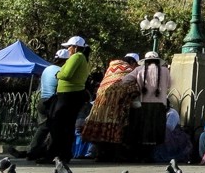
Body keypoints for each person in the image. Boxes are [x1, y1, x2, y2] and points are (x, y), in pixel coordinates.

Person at [82, 53, 142, 161]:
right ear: (132, 63)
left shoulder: (110, 70)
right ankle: (115, 155)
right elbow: (133, 90)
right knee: (117, 131)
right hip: (116, 109)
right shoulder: (128, 71)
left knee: (103, 133)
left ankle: (101, 155)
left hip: (100, 108)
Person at [19, 48, 68, 160]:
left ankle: (36, 151)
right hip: (51, 101)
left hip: (42, 100)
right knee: (49, 128)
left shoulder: (47, 69)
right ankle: (35, 151)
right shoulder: (60, 72)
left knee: (44, 127)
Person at [50, 36, 92, 164]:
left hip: (67, 95)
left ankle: (56, 153)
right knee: (67, 126)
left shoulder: (76, 57)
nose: (68, 49)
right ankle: (64, 154)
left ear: (75, 47)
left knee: (58, 125)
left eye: (69, 46)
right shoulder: (83, 58)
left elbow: (66, 74)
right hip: (74, 94)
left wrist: (58, 74)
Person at [124, 51, 170, 162]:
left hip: (142, 105)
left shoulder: (139, 70)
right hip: (160, 106)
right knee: (155, 131)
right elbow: (169, 85)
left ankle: (140, 155)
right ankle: (151, 155)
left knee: (142, 131)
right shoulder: (165, 71)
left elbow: (124, 81)